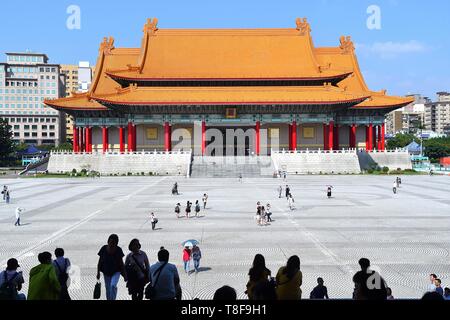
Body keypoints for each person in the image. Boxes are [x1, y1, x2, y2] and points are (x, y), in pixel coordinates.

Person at [96, 234, 126, 300]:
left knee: (113, 285)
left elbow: (121, 263)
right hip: (106, 272)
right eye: (110, 242)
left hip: (116, 271)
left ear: (116, 243)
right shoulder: (103, 248)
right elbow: (100, 261)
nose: (112, 244)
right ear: (108, 241)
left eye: (114, 242)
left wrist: (125, 275)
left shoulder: (118, 250)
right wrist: (98, 272)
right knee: (108, 289)